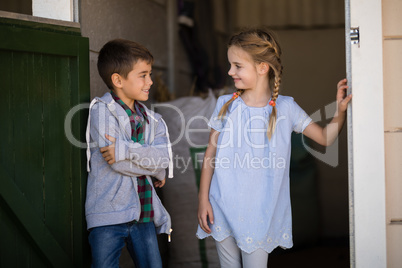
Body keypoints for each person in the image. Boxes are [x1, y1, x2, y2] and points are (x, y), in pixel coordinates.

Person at [196, 28, 352, 267]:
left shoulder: (287, 108)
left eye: (237, 66)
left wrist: (340, 112)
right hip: (220, 207)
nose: (230, 71)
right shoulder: (225, 105)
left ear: (262, 67)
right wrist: (203, 199)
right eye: (230, 65)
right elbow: (210, 155)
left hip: (260, 214)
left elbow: (324, 138)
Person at [85, 39, 173, 268]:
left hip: (144, 213)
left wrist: (123, 150)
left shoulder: (154, 120)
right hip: (107, 214)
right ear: (118, 80)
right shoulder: (101, 111)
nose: (150, 81)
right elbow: (116, 164)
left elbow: (164, 157)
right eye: (143, 75)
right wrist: (155, 168)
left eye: (150, 74)